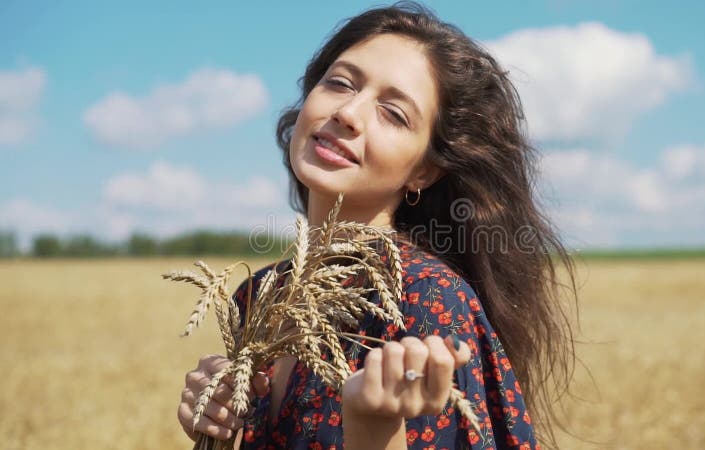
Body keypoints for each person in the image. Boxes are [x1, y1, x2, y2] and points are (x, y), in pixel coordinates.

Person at [178, 2, 577, 449]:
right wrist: (210, 424)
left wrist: (375, 428)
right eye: (340, 83)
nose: (348, 112)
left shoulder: (426, 301)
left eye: (394, 113)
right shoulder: (260, 295)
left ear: (423, 172)